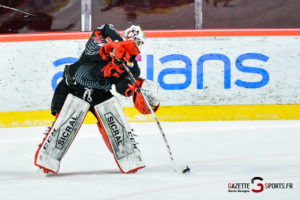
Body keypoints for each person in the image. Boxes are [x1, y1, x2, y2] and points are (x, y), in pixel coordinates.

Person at [34, 24, 160, 175]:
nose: (138, 46)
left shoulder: (132, 66)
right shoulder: (107, 36)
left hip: (100, 93)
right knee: (65, 125)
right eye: (138, 41)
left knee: (116, 124)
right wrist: (111, 50)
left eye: (140, 44)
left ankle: (129, 157)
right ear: (130, 36)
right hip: (76, 87)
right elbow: (92, 49)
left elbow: (122, 85)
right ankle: (47, 159)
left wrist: (133, 89)